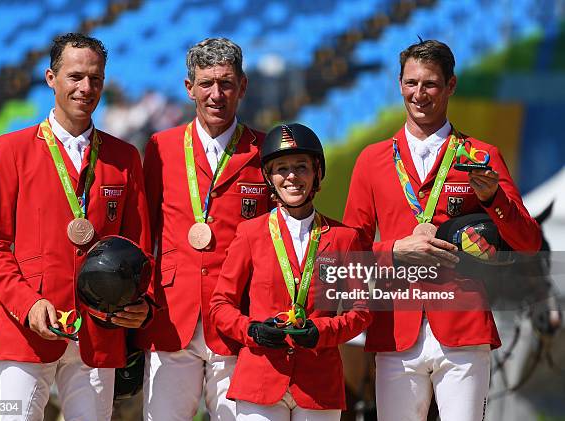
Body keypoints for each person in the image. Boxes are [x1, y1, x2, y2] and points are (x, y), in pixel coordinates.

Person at [343, 39, 542, 421]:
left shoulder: (481, 156)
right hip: (396, 328)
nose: (419, 94)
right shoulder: (372, 160)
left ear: (451, 86)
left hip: (463, 326)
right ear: (399, 84)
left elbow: (528, 243)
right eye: (411, 83)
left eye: (430, 84)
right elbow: (350, 250)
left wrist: (494, 200)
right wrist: (395, 251)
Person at [0, 32, 151, 421]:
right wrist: (28, 304)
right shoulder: (12, 149)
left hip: (100, 331)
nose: (85, 88)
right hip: (28, 329)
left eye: (95, 79)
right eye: (75, 76)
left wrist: (143, 302)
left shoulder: (125, 157)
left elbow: (140, 249)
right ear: (51, 78)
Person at [137, 37, 271, 420]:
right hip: (171, 318)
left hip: (239, 319)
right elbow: (145, 233)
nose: (216, 94)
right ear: (189, 87)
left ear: (242, 86)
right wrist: (144, 300)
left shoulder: (266, 151)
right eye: (207, 83)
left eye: (226, 83)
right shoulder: (160, 148)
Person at [210, 123, 372, 420]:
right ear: (269, 178)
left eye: (302, 167)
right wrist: (252, 330)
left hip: (318, 383)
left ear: (317, 173)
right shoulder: (249, 233)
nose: (292, 177)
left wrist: (322, 332)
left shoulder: (344, 237)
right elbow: (220, 305)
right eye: (281, 169)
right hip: (260, 378)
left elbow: (361, 312)